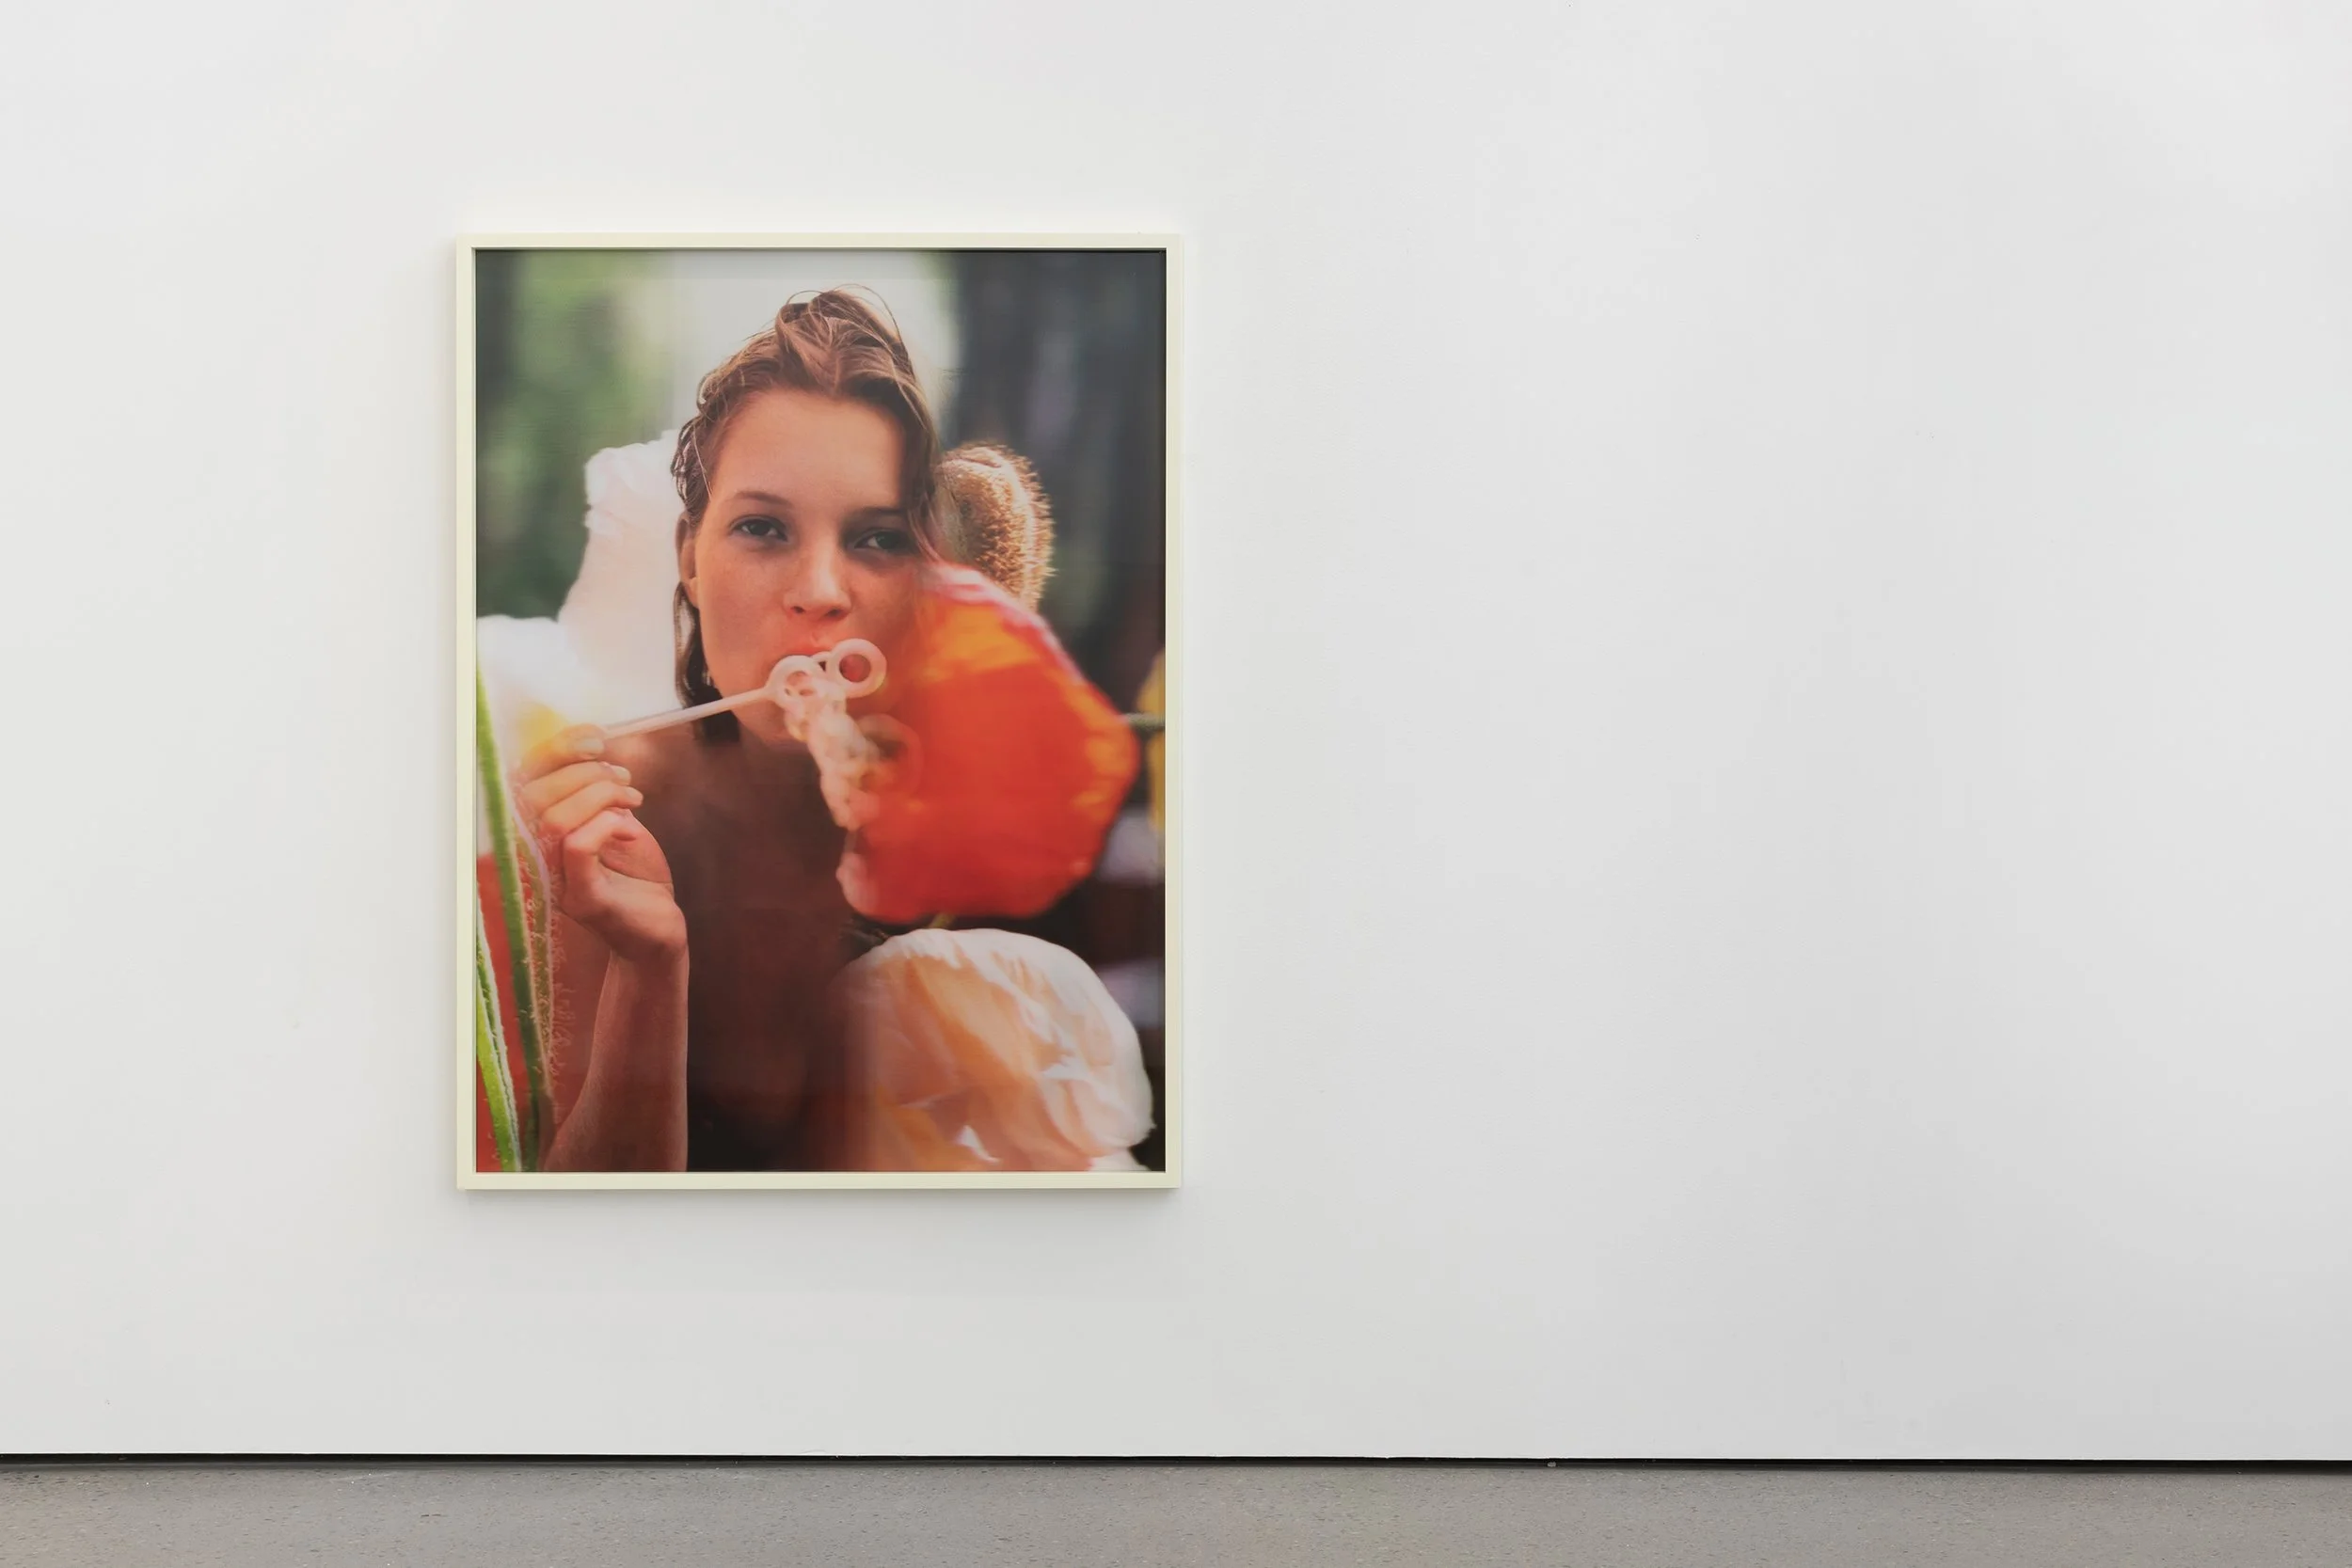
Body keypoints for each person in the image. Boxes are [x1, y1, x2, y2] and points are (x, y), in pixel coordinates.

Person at [501, 290, 1150, 1173]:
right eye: (763, 527)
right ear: (690, 556)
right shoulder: (595, 822)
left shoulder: (962, 819)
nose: (819, 589)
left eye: (876, 539)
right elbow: (575, 1227)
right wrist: (650, 964)